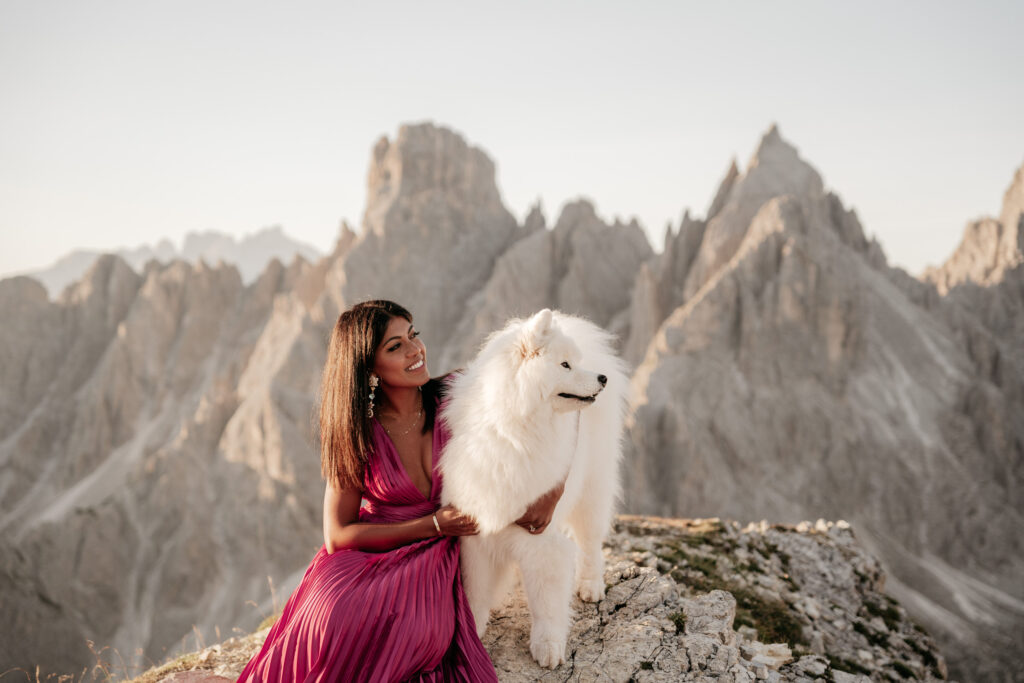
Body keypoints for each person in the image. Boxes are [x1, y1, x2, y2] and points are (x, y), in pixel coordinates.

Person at [237, 300, 563, 682]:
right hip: (372, 556)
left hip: (438, 559)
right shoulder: (356, 431)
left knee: (422, 632)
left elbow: (559, 403)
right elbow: (337, 536)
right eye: (395, 347)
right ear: (369, 366)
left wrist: (552, 489)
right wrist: (434, 525)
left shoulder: (461, 394)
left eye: (413, 336)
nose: (415, 350)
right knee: (335, 617)